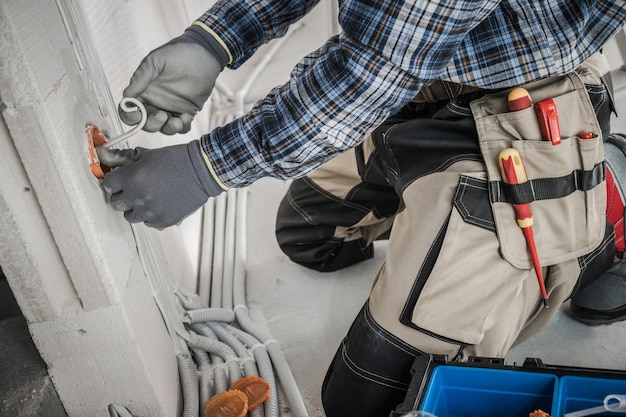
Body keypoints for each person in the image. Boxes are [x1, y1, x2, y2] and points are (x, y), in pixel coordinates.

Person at [96, 1, 626, 416]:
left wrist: (202, 169)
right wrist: (214, 39)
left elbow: (375, 70)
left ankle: (607, 208)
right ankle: (440, 213)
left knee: (368, 402)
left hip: (521, 105)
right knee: (307, 238)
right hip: (415, 92)